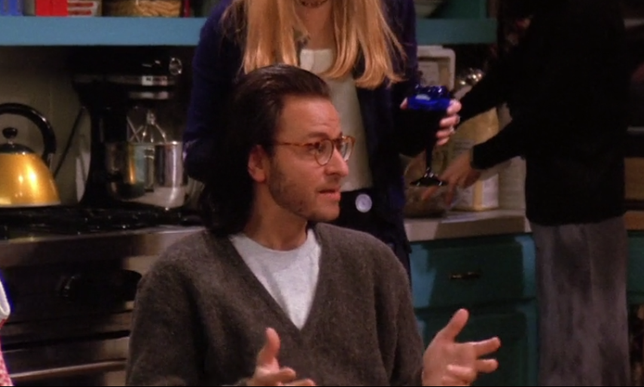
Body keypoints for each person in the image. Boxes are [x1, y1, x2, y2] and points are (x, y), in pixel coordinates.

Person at [182, 0, 460, 277]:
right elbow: (199, 151)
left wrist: (427, 124)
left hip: (370, 232)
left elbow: (397, 140)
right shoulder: (237, 20)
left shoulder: (390, 5)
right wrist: (272, 160)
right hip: (268, 239)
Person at [126, 64, 499, 386]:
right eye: (316, 148)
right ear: (258, 161)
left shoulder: (373, 266)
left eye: (339, 145)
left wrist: (426, 382)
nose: (340, 168)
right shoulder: (181, 278)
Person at [435, 0, 631, 385]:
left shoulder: (589, 6)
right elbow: (514, 73)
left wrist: (478, 158)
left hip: (585, 205)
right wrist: (456, 107)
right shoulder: (555, 3)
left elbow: (551, 112)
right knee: (572, 354)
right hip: (562, 203)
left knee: (585, 361)